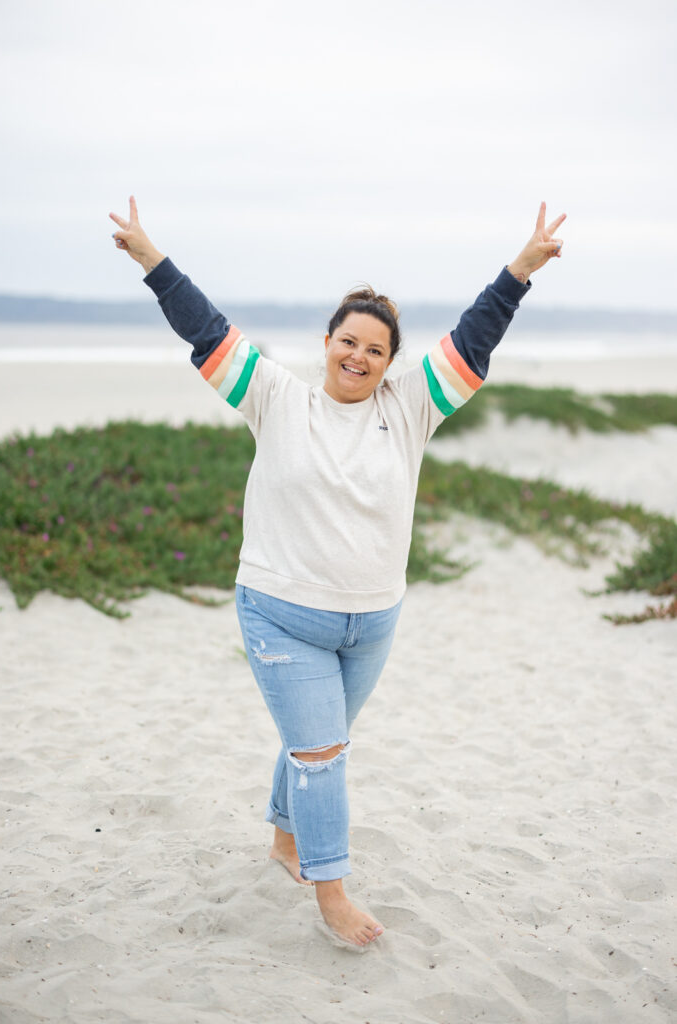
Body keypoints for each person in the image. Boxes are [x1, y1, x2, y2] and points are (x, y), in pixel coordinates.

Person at [109, 196, 565, 947]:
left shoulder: (412, 407)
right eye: (347, 341)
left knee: (321, 742)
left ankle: (284, 840)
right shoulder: (274, 398)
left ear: (390, 363)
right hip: (280, 611)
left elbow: (474, 339)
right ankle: (331, 894)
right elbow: (205, 327)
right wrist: (149, 258)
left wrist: (521, 268)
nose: (358, 356)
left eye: (374, 350)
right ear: (326, 342)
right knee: (321, 756)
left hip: (372, 621)